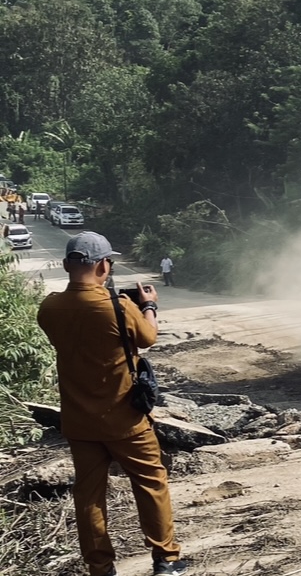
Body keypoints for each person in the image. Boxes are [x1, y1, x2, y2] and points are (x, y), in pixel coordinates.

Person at [37, 232, 188, 576]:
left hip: (79, 422)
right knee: (151, 482)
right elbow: (147, 338)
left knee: (89, 495)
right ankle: (166, 558)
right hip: (125, 420)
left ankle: (100, 568)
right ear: (105, 266)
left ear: (65, 265)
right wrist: (147, 306)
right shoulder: (118, 307)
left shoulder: (49, 307)